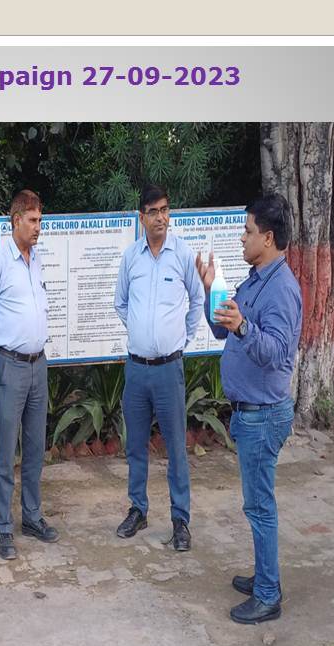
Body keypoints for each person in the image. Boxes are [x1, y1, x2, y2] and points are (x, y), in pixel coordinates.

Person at [195, 194, 302, 624]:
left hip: (264, 413)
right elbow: (223, 329)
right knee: (257, 503)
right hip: (250, 411)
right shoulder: (256, 279)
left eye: (248, 231)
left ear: (268, 238)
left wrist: (243, 326)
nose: (242, 238)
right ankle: (264, 576)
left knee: (259, 506)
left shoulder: (282, 290)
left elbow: (276, 353)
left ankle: (268, 594)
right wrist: (211, 291)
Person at [113, 185, 204, 550]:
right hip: (136, 369)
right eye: (153, 211)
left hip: (169, 369)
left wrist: (181, 338)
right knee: (136, 446)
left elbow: (197, 300)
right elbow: (120, 303)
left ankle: (180, 520)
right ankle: (138, 509)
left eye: (165, 210)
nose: (161, 217)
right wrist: (140, 331)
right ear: (142, 217)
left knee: (176, 449)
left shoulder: (182, 254)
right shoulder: (131, 257)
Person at [0, 189, 59, 561]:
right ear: (16, 221)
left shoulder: (36, 260)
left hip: (39, 365)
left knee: (36, 448)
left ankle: (32, 517)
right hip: (10, 366)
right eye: (33, 220)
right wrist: (1, 355)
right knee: (6, 452)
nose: (38, 227)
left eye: (40, 220)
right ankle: (3, 528)